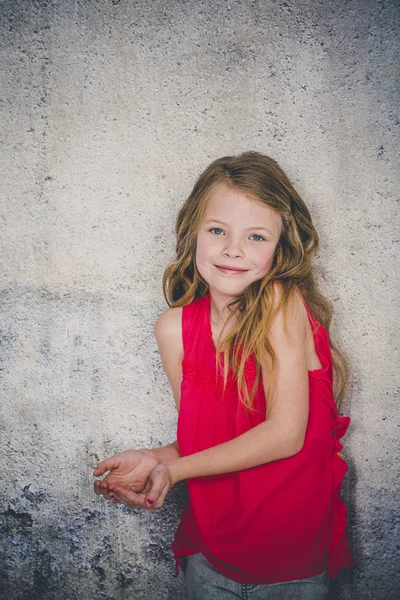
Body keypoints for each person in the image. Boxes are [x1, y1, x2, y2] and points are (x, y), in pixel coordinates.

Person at [93, 152, 354, 599]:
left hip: (290, 564)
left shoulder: (279, 303)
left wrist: (174, 470)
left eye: (256, 236)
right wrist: (156, 460)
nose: (233, 249)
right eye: (217, 231)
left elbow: (285, 434)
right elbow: (208, 442)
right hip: (210, 557)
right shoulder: (173, 329)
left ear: (280, 248)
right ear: (193, 232)